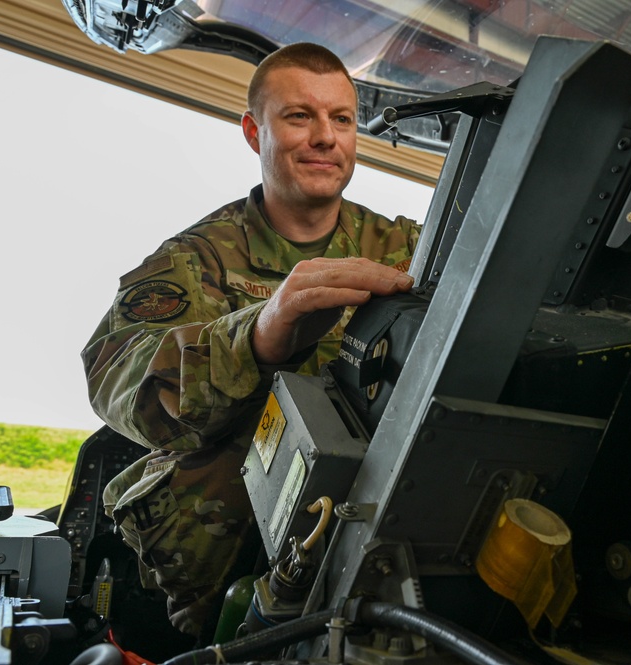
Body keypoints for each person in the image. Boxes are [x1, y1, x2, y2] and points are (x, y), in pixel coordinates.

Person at [82, 42, 419, 639]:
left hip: (387, 530)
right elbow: (117, 380)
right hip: (230, 579)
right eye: (299, 117)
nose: (325, 137)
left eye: (341, 119)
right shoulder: (195, 259)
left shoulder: (407, 247)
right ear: (252, 131)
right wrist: (258, 338)